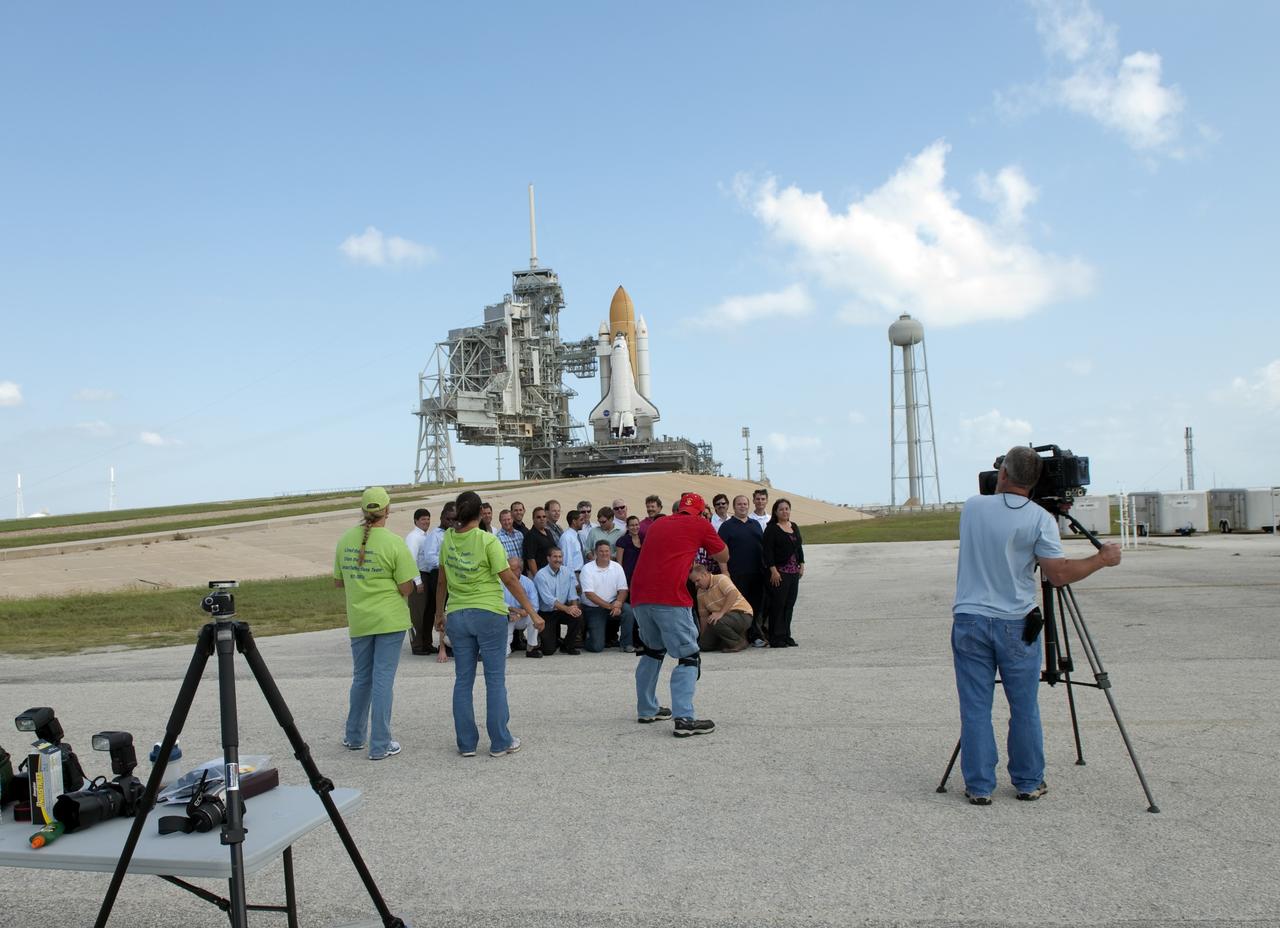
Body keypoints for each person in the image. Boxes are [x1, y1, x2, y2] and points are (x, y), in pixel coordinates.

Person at [951, 445, 1121, 805]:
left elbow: (992, 500)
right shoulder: (1040, 519)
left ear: (1003, 473)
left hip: (970, 620)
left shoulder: (973, 507)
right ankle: (1028, 781)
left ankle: (979, 786)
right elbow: (1057, 575)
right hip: (1016, 623)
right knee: (1024, 705)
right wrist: (1101, 559)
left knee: (976, 707)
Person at [434, 491, 541, 758]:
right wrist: (532, 612)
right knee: (494, 680)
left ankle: (466, 743)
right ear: (482, 513)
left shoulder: (447, 539)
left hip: (457, 614)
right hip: (488, 613)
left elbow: (442, 581)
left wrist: (439, 613)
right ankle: (500, 741)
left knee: (463, 680)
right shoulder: (487, 540)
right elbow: (510, 580)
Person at [630, 492, 728, 737]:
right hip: (670, 596)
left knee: (652, 650)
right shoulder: (700, 524)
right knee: (689, 656)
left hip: (640, 594)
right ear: (700, 511)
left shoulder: (659, 523)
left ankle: (647, 708)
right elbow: (724, 555)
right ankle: (684, 719)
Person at [334, 487, 418, 760]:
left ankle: (354, 735)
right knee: (382, 681)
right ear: (387, 510)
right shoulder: (394, 543)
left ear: (363, 510)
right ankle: (380, 743)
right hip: (389, 620)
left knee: (361, 678)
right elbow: (407, 587)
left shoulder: (345, 540)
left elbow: (339, 580)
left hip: (360, 619)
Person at [719, 495, 768, 647]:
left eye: (745, 504)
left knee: (755, 606)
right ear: (734, 507)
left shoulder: (755, 525)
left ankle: (754, 636)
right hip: (736, 574)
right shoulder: (727, 526)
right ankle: (740, 637)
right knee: (739, 607)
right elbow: (720, 552)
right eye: (739, 504)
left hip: (756, 574)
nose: (743, 506)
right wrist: (725, 572)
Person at [762, 498, 805, 649]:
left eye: (787, 508)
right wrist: (773, 570)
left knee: (789, 605)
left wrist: (802, 563)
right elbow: (767, 552)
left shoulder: (793, 526)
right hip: (780, 572)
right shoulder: (772, 528)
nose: (785, 511)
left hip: (794, 573)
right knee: (778, 605)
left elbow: (798, 547)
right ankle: (776, 637)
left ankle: (786, 635)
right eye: (781, 509)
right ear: (775, 512)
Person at [580, 539, 635, 652]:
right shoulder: (587, 569)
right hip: (594, 608)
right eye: (601, 551)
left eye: (607, 551)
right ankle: (587, 636)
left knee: (628, 611)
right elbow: (589, 594)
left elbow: (623, 589)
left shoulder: (617, 567)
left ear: (610, 552)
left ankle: (626, 644)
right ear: (595, 552)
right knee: (597, 647)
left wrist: (618, 603)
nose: (604, 554)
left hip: (612, 603)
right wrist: (611, 607)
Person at [416, 501, 456, 655]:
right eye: (448, 519)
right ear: (442, 517)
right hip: (437, 574)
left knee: (450, 608)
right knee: (436, 608)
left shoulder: (455, 533)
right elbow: (429, 557)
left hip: (452, 575)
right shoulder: (435, 535)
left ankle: (450, 642)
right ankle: (429, 643)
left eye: (454, 519)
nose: (451, 522)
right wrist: (446, 564)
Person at [689, 563, 753, 652]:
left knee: (717, 621)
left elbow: (732, 594)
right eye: (694, 582)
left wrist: (721, 613)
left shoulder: (720, 578)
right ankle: (734, 638)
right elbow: (703, 617)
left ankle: (738, 642)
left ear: (705, 574)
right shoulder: (700, 592)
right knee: (704, 646)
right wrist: (703, 638)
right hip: (722, 619)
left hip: (742, 614)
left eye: (698, 580)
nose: (696, 584)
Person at [534, 547, 582, 656]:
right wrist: (567, 609)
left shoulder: (567, 572)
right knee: (548, 651)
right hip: (546, 613)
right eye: (555, 556)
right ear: (548, 558)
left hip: (562, 610)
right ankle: (549, 640)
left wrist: (574, 608)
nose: (558, 559)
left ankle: (568, 645)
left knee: (577, 616)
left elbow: (572, 594)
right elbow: (548, 600)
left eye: (560, 557)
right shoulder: (541, 575)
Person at [502, 555, 543, 659]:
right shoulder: (500, 581)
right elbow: (497, 601)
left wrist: (521, 613)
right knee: (507, 619)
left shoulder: (528, 583)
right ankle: (505, 651)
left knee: (534, 618)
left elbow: (534, 606)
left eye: (510, 569)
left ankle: (531, 649)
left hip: (523, 616)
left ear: (520, 570)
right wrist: (513, 610)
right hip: (506, 615)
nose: (507, 572)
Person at [405, 508, 431, 655]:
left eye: (428, 519)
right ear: (416, 521)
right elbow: (411, 560)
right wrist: (417, 581)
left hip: (426, 576)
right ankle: (417, 645)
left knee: (426, 613)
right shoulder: (413, 537)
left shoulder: (426, 536)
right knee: (417, 614)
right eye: (423, 519)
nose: (426, 522)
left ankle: (426, 643)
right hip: (417, 577)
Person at [523, 506, 557, 577]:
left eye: (544, 517)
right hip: (539, 573)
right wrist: (537, 578)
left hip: (551, 572)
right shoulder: (531, 535)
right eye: (538, 517)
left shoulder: (548, 532)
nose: (542, 519)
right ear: (533, 519)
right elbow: (531, 559)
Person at [615, 514, 644, 583]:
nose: (635, 527)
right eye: (632, 525)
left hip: (641, 575)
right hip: (627, 576)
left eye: (636, 525)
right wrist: (621, 578)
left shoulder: (643, 539)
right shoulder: (622, 541)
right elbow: (619, 563)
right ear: (627, 527)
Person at [561, 509, 586, 577]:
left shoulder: (577, 535)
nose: (583, 522)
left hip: (581, 573)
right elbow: (567, 561)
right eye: (581, 520)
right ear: (574, 522)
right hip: (574, 575)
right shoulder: (567, 537)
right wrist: (573, 580)